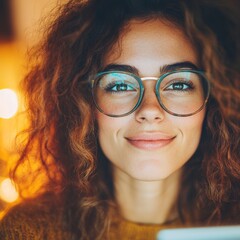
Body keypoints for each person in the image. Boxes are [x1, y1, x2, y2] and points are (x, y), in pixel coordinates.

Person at [0, 0, 239, 239]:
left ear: (213, 100)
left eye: (178, 84)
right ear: (83, 102)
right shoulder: (27, 231)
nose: (149, 109)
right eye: (121, 85)